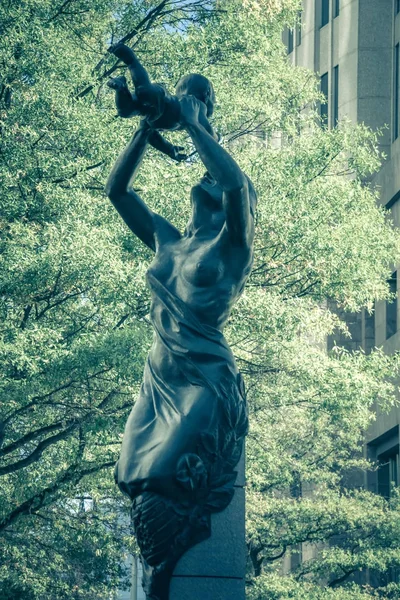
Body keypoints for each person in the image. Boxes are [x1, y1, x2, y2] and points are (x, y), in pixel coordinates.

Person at [105, 89, 257, 600]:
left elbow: (234, 182)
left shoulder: (231, 247)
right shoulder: (169, 240)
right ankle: (159, 568)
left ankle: (176, 571)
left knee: (168, 469)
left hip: (205, 382)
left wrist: (196, 123)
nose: (208, 185)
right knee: (131, 470)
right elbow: (118, 192)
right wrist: (146, 129)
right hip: (158, 379)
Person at [108, 42, 218, 162]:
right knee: (144, 91)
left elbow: (151, 136)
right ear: (206, 94)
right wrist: (215, 139)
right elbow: (207, 131)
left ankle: (121, 88)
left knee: (125, 111)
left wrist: (169, 149)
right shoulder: (194, 104)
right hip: (162, 100)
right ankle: (131, 61)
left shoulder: (181, 120)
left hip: (150, 113)